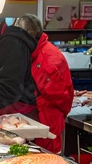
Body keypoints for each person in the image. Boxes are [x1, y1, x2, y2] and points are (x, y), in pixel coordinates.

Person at [15, 14, 74, 153]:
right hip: (35, 122)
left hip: (47, 124)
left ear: (27, 36)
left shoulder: (47, 60)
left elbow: (62, 100)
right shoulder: (33, 51)